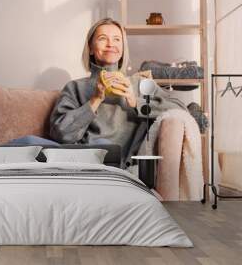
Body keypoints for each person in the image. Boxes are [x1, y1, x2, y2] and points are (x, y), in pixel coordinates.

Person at [48, 17, 186, 165]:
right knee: (28, 142)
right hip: (83, 159)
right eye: (102, 39)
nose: (110, 44)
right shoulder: (75, 87)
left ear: (122, 49)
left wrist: (136, 102)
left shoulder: (139, 84)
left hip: (119, 162)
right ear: (91, 48)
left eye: (116, 39)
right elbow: (60, 134)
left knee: (104, 147)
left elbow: (180, 109)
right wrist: (95, 100)